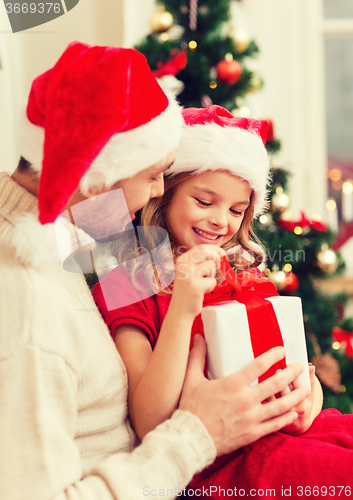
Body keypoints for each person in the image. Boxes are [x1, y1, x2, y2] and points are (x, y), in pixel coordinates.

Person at [0, 43, 308, 500]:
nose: (157, 192)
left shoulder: (67, 247)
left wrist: (303, 390)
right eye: (152, 175)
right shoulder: (28, 299)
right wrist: (199, 434)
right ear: (98, 176)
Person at [93, 106, 353, 496]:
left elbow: (301, 375)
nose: (221, 221)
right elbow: (149, 421)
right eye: (204, 201)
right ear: (164, 195)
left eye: (236, 210)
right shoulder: (128, 284)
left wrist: (305, 406)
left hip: (285, 434)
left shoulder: (247, 276)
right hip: (217, 461)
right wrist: (183, 305)